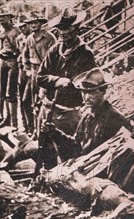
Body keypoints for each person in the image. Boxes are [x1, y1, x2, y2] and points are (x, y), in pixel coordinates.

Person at [41, 68, 131, 161]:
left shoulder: (115, 119)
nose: (86, 97)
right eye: (84, 92)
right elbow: (77, 146)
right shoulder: (87, 115)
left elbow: (119, 156)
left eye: (92, 93)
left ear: (103, 91)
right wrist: (55, 133)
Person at [37, 8, 96, 137]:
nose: (62, 32)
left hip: (71, 113)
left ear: (76, 30)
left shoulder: (85, 54)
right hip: (49, 109)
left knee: (67, 149)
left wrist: (72, 84)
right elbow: (40, 77)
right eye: (60, 28)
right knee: (44, 149)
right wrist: (57, 81)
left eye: (67, 28)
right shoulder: (54, 50)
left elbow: (89, 85)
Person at [22, 13, 55, 136]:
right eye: (31, 23)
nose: (33, 25)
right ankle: (33, 129)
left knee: (44, 101)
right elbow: (24, 55)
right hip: (34, 72)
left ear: (41, 24)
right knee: (28, 101)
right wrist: (27, 70)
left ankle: (44, 129)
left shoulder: (49, 37)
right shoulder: (29, 39)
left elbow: (56, 55)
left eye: (35, 23)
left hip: (46, 73)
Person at [0, 9, 20, 129]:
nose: (1, 19)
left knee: (11, 92)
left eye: (4, 17)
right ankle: (5, 118)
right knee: (2, 92)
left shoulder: (16, 31)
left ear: (10, 18)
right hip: (2, 60)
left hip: (13, 61)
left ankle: (14, 122)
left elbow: (20, 48)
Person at [15, 16, 34, 133]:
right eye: (20, 27)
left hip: (32, 70)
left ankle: (32, 127)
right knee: (21, 99)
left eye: (24, 26)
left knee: (28, 100)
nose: (22, 29)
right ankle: (25, 126)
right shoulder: (19, 39)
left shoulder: (33, 38)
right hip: (22, 70)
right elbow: (21, 54)